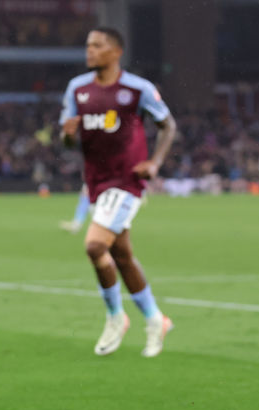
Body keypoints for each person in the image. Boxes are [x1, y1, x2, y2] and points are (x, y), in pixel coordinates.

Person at [59, 27, 177, 358]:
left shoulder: (137, 89)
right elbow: (70, 140)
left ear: (115, 52)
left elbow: (168, 125)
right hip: (97, 181)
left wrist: (154, 162)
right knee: (122, 255)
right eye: (88, 46)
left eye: (97, 46)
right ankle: (156, 320)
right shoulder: (77, 89)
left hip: (127, 181)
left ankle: (115, 316)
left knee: (95, 245)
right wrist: (69, 134)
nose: (89, 51)